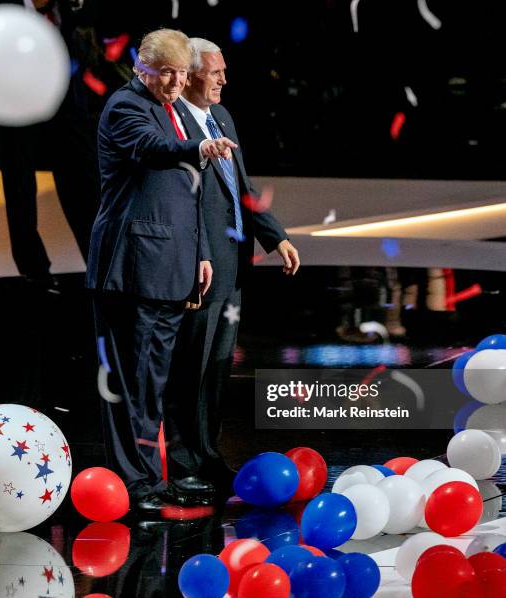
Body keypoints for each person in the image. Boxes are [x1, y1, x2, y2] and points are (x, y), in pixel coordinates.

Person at [86, 29, 238, 512]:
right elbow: (152, 148)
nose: (174, 82)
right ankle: (135, 485)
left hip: (172, 267)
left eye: (180, 73)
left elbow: (185, 194)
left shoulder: (171, 108)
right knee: (132, 385)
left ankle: (154, 479)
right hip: (131, 269)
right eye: (164, 73)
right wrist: (197, 149)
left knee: (155, 383)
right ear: (141, 69)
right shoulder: (126, 106)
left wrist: (201, 254)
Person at [162, 38, 300, 504]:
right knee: (190, 372)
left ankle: (205, 455)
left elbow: (242, 188)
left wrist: (274, 236)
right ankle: (182, 467)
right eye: (215, 71)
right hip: (198, 266)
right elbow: (179, 205)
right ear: (190, 72)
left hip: (231, 266)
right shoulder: (173, 123)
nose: (223, 79)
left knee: (216, 371)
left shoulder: (222, 117)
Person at [0, 0, 100, 291]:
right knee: (19, 180)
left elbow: (88, 17)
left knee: (82, 174)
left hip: (63, 89)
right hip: (13, 92)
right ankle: (32, 270)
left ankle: (99, 260)